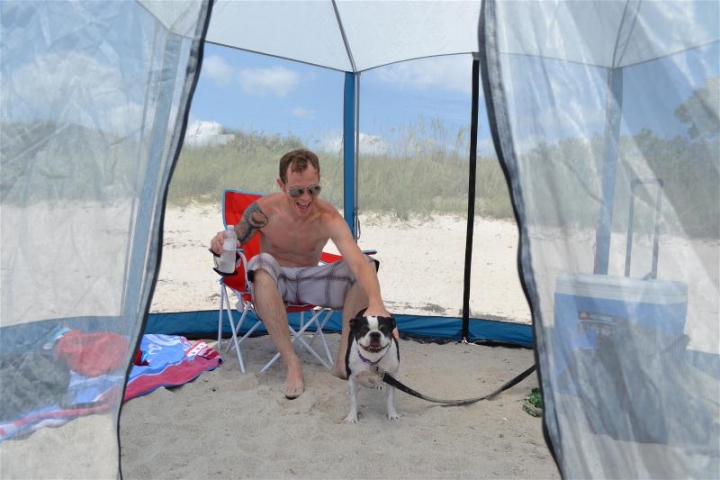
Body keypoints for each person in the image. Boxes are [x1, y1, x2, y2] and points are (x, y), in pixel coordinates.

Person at [210, 148, 392, 399]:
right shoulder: (264, 211)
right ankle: (291, 363)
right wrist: (219, 242)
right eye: (297, 190)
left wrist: (376, 303)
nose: (306, 198)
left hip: (310, 280)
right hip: (274, 282)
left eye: (313, 189)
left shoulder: (327, 217)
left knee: (366, 264)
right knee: (260, 263)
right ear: (281, 185)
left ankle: (343, 362)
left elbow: (358, 264)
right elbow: (234, 239)